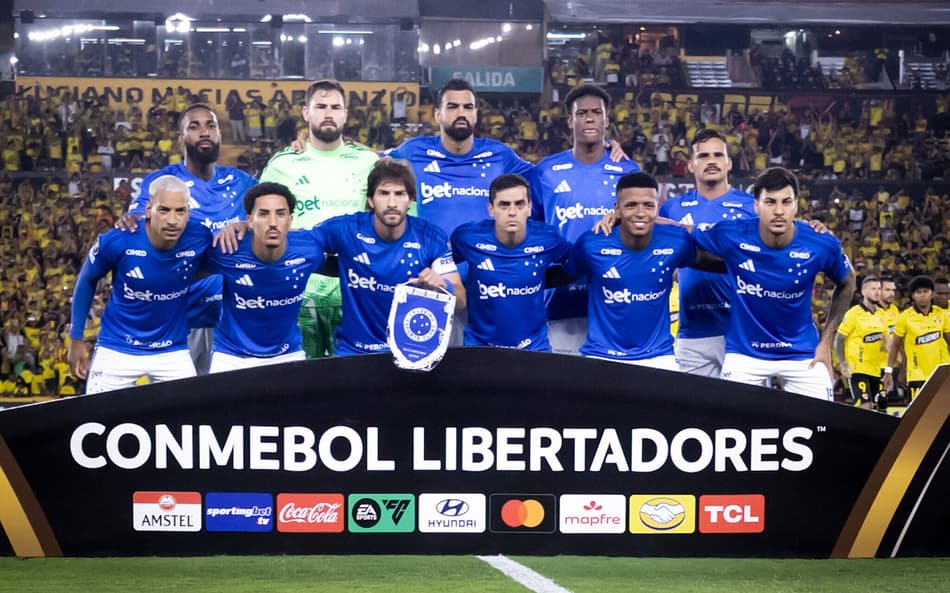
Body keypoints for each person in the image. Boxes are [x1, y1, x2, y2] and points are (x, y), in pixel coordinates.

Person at [692, 167, 856, 400]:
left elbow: (848, 281)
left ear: (796, 206)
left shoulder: (820, 243)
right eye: (770, 202)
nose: (779, 211)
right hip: (744, 355)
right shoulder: (732, 234)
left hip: (803, 354)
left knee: (822, 421)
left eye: (786, 202)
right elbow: (681, 232)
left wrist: (826, 341)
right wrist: (639, 219)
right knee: (731, 420)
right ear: (756, 205)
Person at [123, 103, 258, 375]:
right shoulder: (162, 182)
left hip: (234, 321)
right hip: (179, 321)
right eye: (194, 127)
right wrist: (130, 219)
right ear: (180, 138)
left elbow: (272, 216)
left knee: (231, 400)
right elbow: (136, 224)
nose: (204, 132)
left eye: (211, 126)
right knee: (176, 400)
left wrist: (248, 223)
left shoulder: (242, 183)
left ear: (220, 134)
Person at [260, 80, 379, 359]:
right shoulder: (282, 164)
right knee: (299, 379)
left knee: (356, 378)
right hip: (299, 294)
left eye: (336, 107)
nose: (328, 113)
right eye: (321, 106)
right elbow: (259, 225)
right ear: (306, 113)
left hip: (356, 294)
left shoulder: (369, 162)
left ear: (345, 114)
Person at [67, 176, 212, 394]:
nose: (173, 220)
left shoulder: (199, 237)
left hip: (171, 351)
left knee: (189, 413)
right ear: (149, 209)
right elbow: (87, 279)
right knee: (98, 414)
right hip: (117, 348)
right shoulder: (119, 240)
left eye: (180, 211)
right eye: (164, 210)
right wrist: (76, 337)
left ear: (188, 212)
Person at [529, 84, 641, 355]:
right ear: (570, 120)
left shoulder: (628, 171)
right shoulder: (545, 171)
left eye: (596, 112)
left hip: (616, 303)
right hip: (559, 305)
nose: (589, 118)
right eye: (582, 113)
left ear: (607, 119)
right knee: (562, 380)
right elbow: (533, 231)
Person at [315, 157, 466, 356]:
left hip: (409, 353)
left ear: (410, 200)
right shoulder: (347, 229)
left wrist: (443, 285)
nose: (392, 203)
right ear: (370, 199)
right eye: (384, 193)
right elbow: (300, 242)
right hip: (353, 351)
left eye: (399, 194)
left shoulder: (431, 238)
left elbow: (460, 300)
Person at [571, 172, 704, 369]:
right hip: (602, 355)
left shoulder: (677, 241)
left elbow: (709, 260)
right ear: (617, 209)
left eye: (648, 205)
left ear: (657, 207)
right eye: (631, 205)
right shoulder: (591, 244)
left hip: (659, 357)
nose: (640, 213)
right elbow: (565, 274)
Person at [658, 129, 756, 377]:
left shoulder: (751, 206)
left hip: (742, 330)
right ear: (691, 165)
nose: (711, 161)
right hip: (693, 332)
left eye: (717, 155)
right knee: (689, 402)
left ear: (728, 163)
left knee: (746, 403)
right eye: (703, 156)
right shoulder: (672, 209)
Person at [383, 78, 536, 238]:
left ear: (475, 115)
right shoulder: (413, 150)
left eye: (468, 107)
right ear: (437, 115)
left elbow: (543, 177)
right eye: (452, 107)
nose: (461, 113)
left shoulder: (499, 154)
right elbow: (372, 161)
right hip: (431, 252)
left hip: (483, 253)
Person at [204, 182, 325, 373]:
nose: (273, 222)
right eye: (263, 214)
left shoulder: (309, 250)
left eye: (280, 214)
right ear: (250, 221)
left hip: (287, 354)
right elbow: (186, 269)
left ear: (290, 220)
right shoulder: (227, 248)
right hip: (232, 356)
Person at [450, 174, 572, 351]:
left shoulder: (548, 238)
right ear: (491, 209)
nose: (512, 212)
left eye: (519, 204)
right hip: (480, 348)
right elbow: (445, 263)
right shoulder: (466, 237)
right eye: (504, 205)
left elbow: (576, 262)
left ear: (529, 208)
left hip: (534, 348)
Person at [884, 276, 949, 400]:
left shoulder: (942, 314)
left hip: (941, 373)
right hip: (917, 375)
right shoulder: (904, 317)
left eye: (926, 291)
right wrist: (889, 371)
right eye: (918, 292)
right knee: (920, 411)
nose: (922, 295)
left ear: (932, 294)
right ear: (913, 296)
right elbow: (895, 345)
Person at [834, 276, 888, 409]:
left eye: (879, 288)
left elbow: (886, 342)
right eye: (873, 289)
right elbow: (839, 339)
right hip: (858, 369)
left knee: (882, 408)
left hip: (877, 369)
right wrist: (843, 363)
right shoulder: (853, 313)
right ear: (863, 292)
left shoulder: (882, 314)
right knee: (865, 406)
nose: (877, 292)